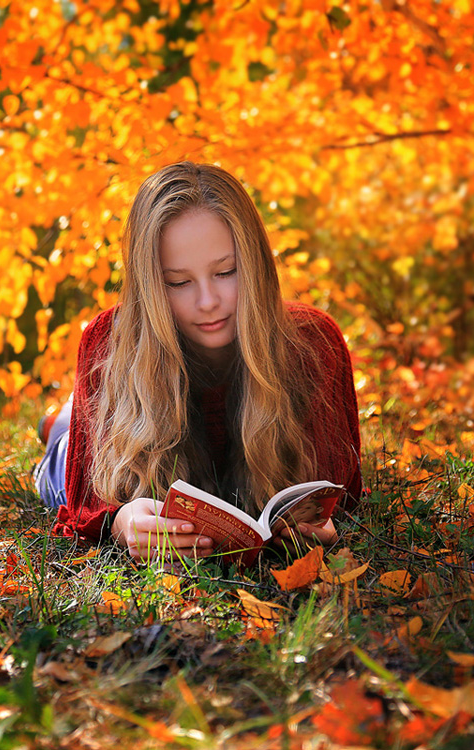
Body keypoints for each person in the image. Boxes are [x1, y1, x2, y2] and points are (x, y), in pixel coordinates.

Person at [44, 161, 361, 562]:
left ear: (256, 265)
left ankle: (63, 419)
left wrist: (317, 520)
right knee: (62, 451)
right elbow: (83, 501)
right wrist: (123, 520)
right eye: (178, 282)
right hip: (65, 458)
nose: (208, 302)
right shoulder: (109, 340)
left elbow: (343, 483)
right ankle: (58, 427)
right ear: (150, 284)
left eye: (226, 272)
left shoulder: (314, 342)